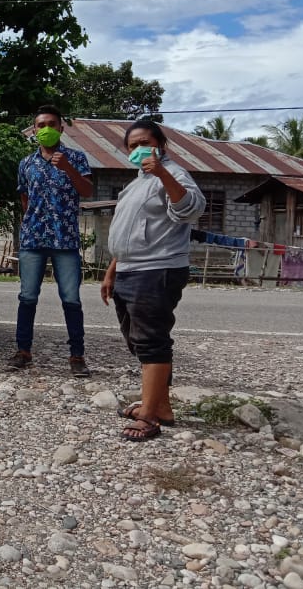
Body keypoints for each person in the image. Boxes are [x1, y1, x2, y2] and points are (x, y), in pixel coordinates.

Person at [101, 119, 205, 442]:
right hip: (130, 268)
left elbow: (191, 208)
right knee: (139, 339)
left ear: (162, 144)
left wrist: (162, 172)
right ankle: (161, 406)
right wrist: (112, 269)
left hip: (156, 269)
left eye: (145, 142)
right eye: (132, 146)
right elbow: (131, 229)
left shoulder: (173, 174)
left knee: (151, 340)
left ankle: (148, 416)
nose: (138, 150)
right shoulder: (136, 183)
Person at [8, 104, 94, 376]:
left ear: (61, 128)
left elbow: (88, 192)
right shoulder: (27, 163)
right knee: (27, 297)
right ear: (34, 130)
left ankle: (77, 356)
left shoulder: (77, 158)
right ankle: (23, 351)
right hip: (33, 239)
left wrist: (68, 168)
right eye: (41, 125)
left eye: (51, 124)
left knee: (71, 299)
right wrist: (32, 221)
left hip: (65, 240)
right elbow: (24, 197)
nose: (46, 129)